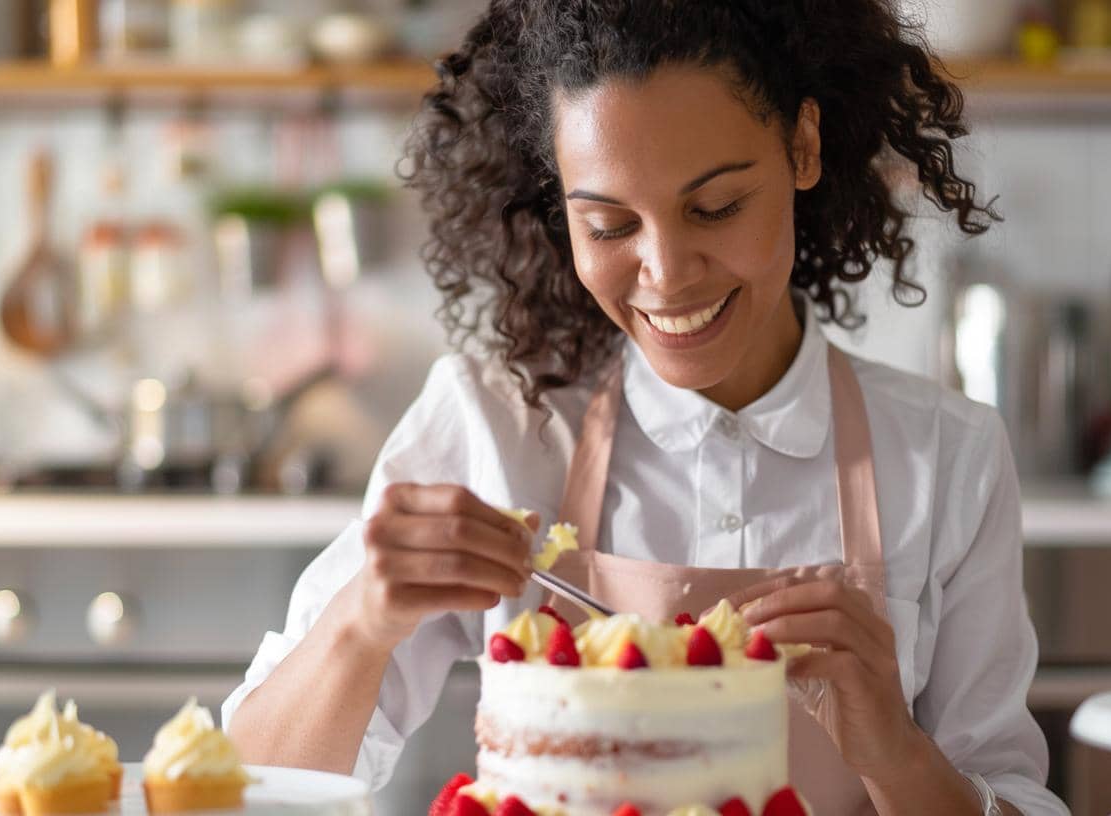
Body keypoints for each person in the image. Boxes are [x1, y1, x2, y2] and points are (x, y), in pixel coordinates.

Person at [224, 2, 1068, 814]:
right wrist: (361, 624)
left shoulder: (947, 455)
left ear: (803, 146)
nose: (666, 272)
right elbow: (237, 795)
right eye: (608, 225)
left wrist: (896, 750)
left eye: (716, 207)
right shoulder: (493, 427)